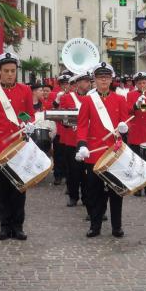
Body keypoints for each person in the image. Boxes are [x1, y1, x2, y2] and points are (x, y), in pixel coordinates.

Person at [0, 52, 34, 240]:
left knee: (19, 189)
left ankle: (18, 226)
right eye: (6, 71)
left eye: (13, 70)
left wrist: (29, 123)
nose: (10, 74)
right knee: (1, 191)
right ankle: (4, 226)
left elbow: (28, 114)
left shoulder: (25, 90)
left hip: (19, 148)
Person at [75, 62, 129, 238]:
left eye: (106, 77)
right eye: (100, 77)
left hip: (114, 152)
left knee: (116, 191)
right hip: (95, 152)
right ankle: (95, 225)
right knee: (94, 192)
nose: (104, 80)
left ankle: (117, 226)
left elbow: (126, 123)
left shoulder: (120, 99)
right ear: (94, 80)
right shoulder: (88, 100)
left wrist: (124, 128)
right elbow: (82, 125)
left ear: (111, 79)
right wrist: (82, 144)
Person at [59, 72, 91, 207]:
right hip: (71, 140)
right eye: (84, 81)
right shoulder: (67, 97)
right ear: (77, 83)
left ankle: (86, 197)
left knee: (86, 172)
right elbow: (62, 117)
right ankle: (73, 196)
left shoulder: (93, 98)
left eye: (88, 81)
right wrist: (67, 121)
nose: (87, 84)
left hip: (88, 140)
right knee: (72, 172)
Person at [126, 72, 146, 197]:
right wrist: (135, 105)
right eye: (139, 83)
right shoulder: (130, 95)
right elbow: (128, 111)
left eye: (144, 82)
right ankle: (137, 187)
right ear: (135, 84)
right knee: (136, 161)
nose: (142, 85)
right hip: (136, 132)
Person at [50, 73, 72, 185]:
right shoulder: (55, 95)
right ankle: (57, 175)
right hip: (59, 129)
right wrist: (57, 99)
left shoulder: (74, 95)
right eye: (63, 84)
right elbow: (51, 111)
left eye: (67, 83)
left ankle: (69, 177)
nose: (65, 86)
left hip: (69, 131)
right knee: (58, 155)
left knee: (68, 156)